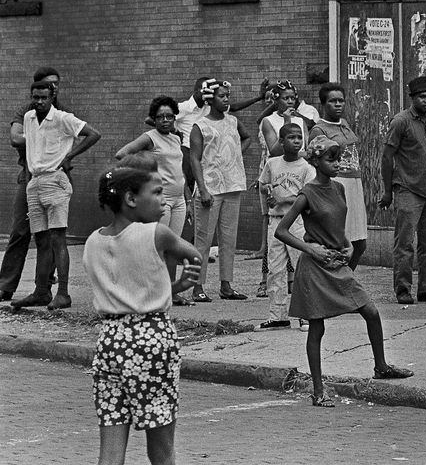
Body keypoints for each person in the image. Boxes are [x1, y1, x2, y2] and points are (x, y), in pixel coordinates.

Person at [85, 157, 202, 465]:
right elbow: (193, 253)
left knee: (109, 458)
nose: (164, 201)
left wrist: (169, 287)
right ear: (131, 199)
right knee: (162, 452)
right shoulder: (156, 234)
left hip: (110, 340)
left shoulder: (93, 241)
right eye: (157, 193)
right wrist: (184, 280)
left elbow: (128, 284)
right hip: (151, 338)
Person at [275, 138, 413, 406]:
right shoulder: (307, 194)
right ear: (315, 162)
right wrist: (311, 249)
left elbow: (339, 226)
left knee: (371, 312)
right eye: (330, 159)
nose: (337, 163)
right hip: (315, 266)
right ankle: (318, 390)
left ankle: (381, 366)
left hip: (338, 262)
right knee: (317, 328)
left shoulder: (339, 188)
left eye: (338, 158)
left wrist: (349, 245)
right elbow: (282, 230)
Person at [11, 79, 101, 311]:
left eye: (44, 97)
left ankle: (63, 293)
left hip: (55, 180)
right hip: (34, 181)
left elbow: (93, 134)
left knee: (57, 238)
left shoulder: (63, 118)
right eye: (36, 97)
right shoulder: (29, 118)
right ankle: (41, 291)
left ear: (52, 97)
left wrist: (70, 157)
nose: (39, 102)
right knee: (40, 239)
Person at [115, 97, 191, 306]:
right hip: (160, 200)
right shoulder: (149, 138)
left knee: (173, 247)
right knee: (155, 246)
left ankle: (171, 291)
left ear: (175, 117)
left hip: (179, 200)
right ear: (153, 119)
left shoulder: (176, 138)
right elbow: (122, 154)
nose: (165, 120)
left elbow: (179, 170)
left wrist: (188, 196)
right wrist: (142, 178)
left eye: (169, 116)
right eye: (160, 117)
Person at [381, 76, 426, 304]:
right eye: (423, 97)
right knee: (405, 243)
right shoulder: (400, 121)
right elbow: (387, 156)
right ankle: (402, 289)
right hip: (408, 187)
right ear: (413, 98)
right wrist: (387, 190)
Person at [0, 67, 61, 302]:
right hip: (29, 175)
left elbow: (76, 135)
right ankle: (6, 284)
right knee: (19, 230)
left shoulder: (62, 112)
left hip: (54, 176)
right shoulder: (26, 112)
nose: (53, 88)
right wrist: (43, 137)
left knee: (51, 234)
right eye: (48, 83)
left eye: (56, 84)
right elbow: (15, 138)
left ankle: (43, 287)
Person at [188, 80, 251, 303]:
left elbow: (247, 138)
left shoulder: (233, 121)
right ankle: (197, 286)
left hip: (233, 185)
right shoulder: (200, 126)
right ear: (210, 99)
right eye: (222, 96)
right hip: (210, 189)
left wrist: (234, 156)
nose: (227, 99)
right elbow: (194, 158)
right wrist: (203, 189)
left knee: (228, 239)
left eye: (227, 95)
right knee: (203, 240)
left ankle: (226, 285)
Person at [256, 123, 315, 330]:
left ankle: (306, 314)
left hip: (296, 222)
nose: (297, 141)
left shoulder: (307, 168)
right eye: (292, 137)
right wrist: (268, 189)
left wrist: (283, 200)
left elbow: (308, 196)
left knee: (301, 266)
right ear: (281, 141)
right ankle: (278, 315)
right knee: (275, 269)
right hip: (275, 220)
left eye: (299, 137)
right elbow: (262, 185)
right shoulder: (272, 164)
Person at [308, 83, 368, 270]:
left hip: (354, 184)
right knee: (338, 239)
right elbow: (315, 163)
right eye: (333, 101)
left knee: (359, 242)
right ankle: (335, 279)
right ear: (323, 104)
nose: (338, 105)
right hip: (336, 183)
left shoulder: (345, 124)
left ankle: (346, 277)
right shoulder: (319, 129)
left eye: (341, 101)